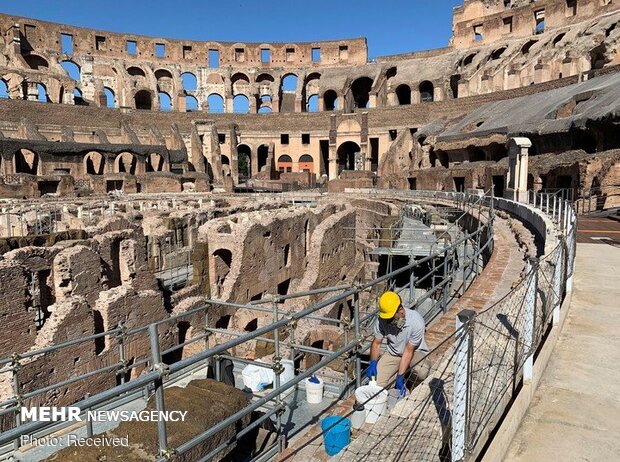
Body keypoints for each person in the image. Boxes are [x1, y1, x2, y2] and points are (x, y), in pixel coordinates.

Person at [367, 291, 431, 396]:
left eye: (391, 317)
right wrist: (373, 362)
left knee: (421, 370)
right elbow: (376, 343)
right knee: (375, 385)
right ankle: (395, 377)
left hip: (415, 352)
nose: (388, 321)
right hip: (393, 353)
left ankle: (412, 385)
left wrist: (400, 376)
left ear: (400, 311)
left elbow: (408, 351)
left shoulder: (416, 322)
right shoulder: (382, 319)